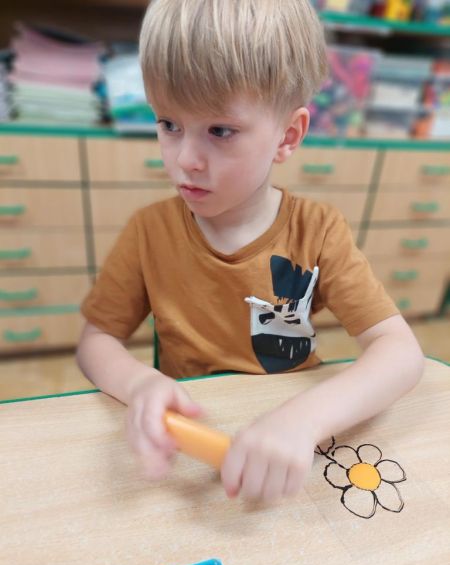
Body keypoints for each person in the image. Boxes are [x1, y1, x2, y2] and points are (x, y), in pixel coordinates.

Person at [76, 0, 424, 504]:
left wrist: (304, 419)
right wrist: (140, 386)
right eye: (169, 124)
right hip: (193, 444)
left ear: (288, 136)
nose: (185, 159)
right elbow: (96, 341)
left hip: (294, 446)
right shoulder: (149, 231)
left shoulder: (318, 231)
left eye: (220, 130)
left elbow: (400, 353)